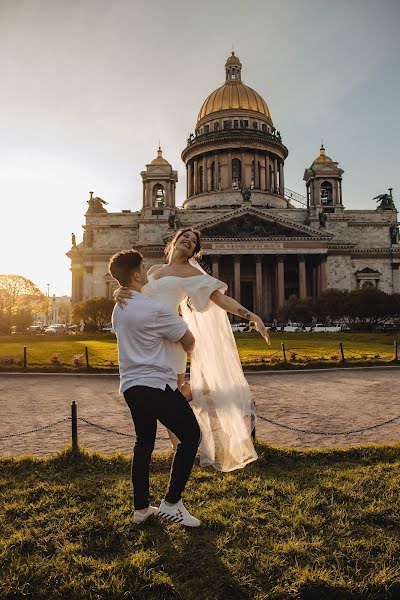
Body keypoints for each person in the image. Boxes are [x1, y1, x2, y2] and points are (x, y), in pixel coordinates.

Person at [115, 228, 270, 473]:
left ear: (195, 250)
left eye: (194, 241)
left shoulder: (192, 273)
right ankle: (190, 418)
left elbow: (221, 300)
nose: (188, 241)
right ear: (174, 241)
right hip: (149, 340)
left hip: (171, 341)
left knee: (171, 396)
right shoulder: (153, 271)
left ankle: (181, 451)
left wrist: (253, 317)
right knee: (167, 397)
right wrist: (120, 290)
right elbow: (135, 289)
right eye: (184, 237)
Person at [109, 249, 201, 527]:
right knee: (191, 435)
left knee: (144, 443)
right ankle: (171, 503)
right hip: (155, 384)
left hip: (131, 386)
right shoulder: (154, 309)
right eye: (143, 268)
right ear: (137, 274)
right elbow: (188, 339)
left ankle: (141, 509)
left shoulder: (119, 307)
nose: (147, 271)